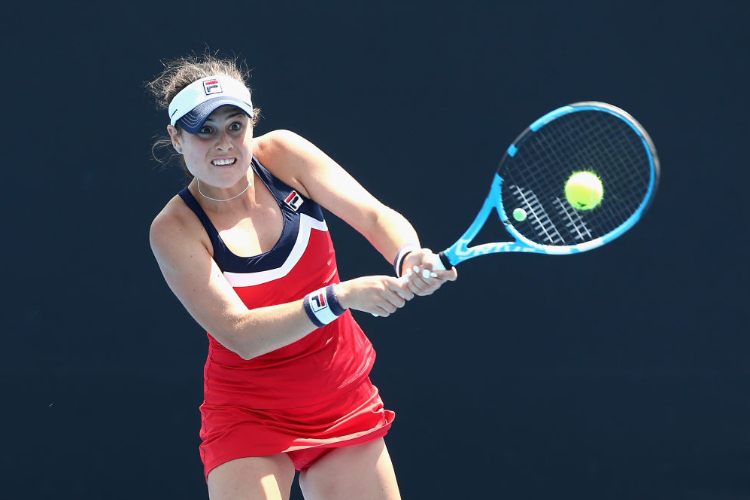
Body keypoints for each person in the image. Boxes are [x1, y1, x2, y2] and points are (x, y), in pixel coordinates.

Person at [147, 54, 457, 500]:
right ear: (177, 138)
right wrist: (340, 297)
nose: (224, 144)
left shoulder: (284, 156)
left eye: (235, 126)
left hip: (339, 394)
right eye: (205, 130)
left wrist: (408, 256)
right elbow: (241, 335)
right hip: (248, 414)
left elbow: (373, 215)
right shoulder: (175, 229)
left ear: (252, 123)